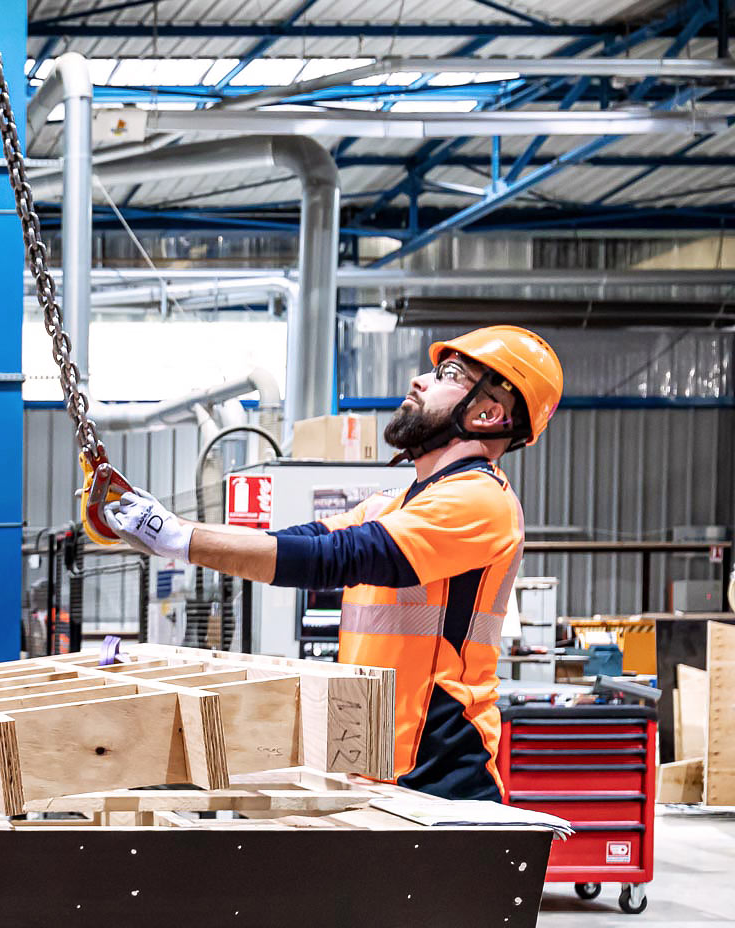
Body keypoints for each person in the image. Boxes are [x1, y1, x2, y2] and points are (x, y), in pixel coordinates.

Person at [99, 326, 563, 801]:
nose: (420, 380)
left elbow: (335, 558)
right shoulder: (395, 502)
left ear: (488, 413)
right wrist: (171, 532)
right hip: (377, 772)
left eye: (448, 374)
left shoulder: (480, 500)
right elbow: (298, 542)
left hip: (442, 780)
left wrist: (179, 539)